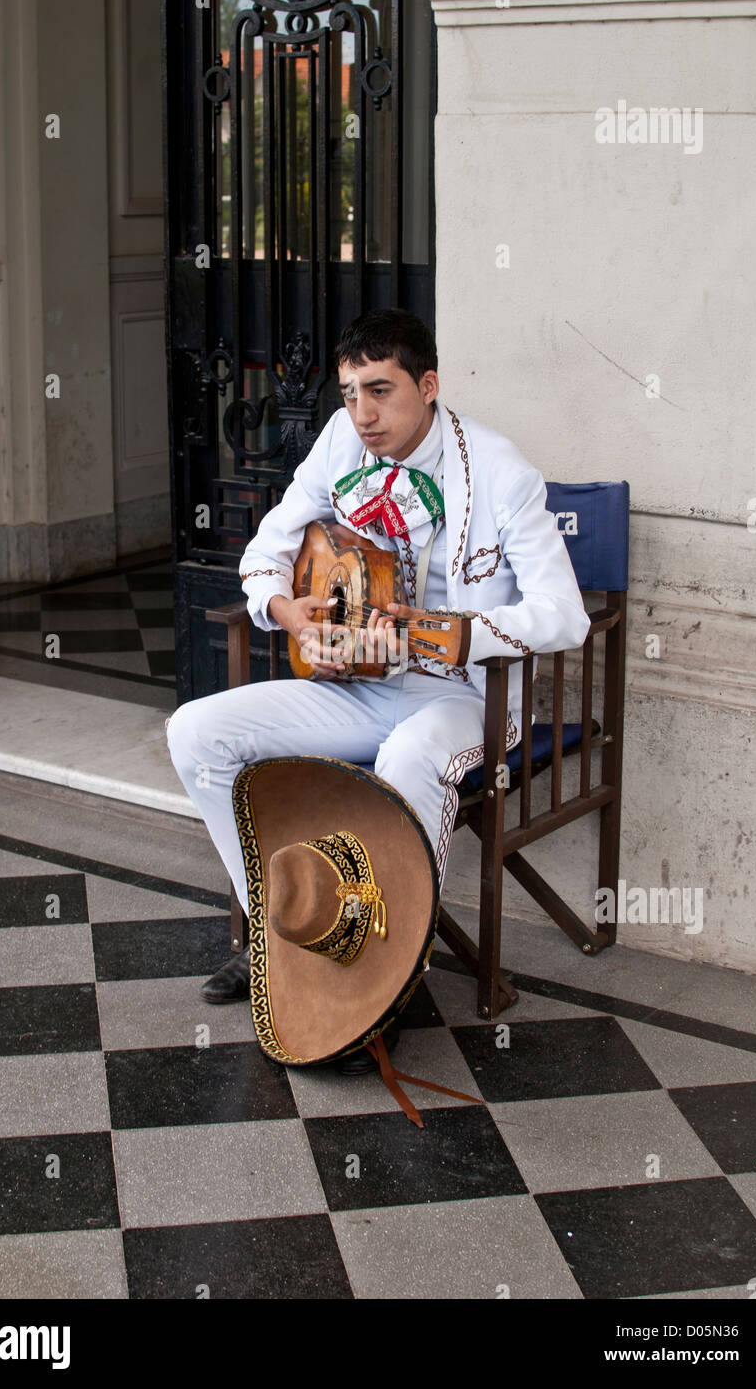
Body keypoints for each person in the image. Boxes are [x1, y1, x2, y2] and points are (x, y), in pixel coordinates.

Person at [166, 308, 590, 1067]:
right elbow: (268, 546)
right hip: (358, 686)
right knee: (195, 732)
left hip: (464, 696)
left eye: (381, 392)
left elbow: (566, 616)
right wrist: (290, 615)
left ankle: (387, 981)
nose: (362, 414)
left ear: (428, 387)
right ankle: (285, 933)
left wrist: (462, 631)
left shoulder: (501, 472)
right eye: (349, 391)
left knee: (406, 761)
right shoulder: (340, 441)